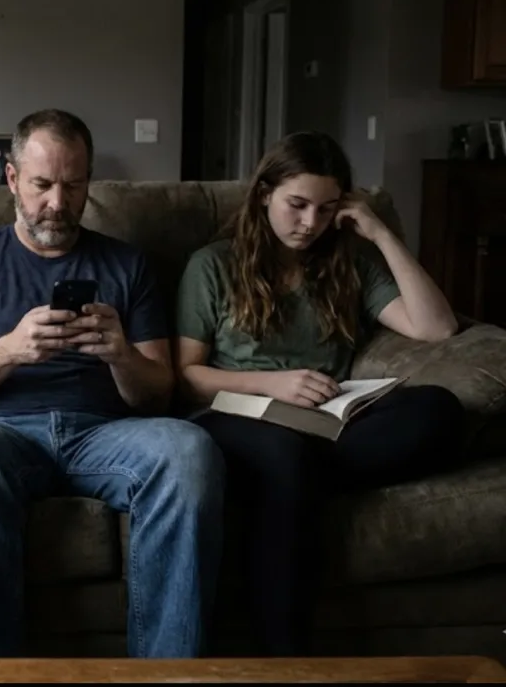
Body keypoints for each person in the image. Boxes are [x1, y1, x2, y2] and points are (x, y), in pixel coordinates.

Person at [0, 108, 225, 658]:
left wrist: (121, 356)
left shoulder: (127, 265)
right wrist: (11, 350)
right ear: (12, 178)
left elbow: (159, 393)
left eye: (74, 185)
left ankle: (164, 675)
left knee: (189, 450)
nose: (58, 203)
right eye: (42, 185)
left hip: (105, 434)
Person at [174, 130, 466, 656]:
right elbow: (188, 376)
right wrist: (274, 384)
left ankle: (288, 484)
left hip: (327, 422)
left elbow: (436, 327)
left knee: (440, 410)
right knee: (284, 456)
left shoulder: (349, 261)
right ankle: (284, 659)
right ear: (265, 193)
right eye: (297, 204)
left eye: (327, 209)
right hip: (238, 415)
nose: (310, 223)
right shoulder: (212, 265)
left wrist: (381, 234)